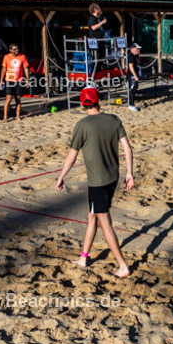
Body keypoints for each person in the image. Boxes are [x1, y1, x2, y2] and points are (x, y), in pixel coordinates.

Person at [55, 86, 135, 277]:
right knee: (92, 216)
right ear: (99, 101)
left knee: (104, 221)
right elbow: (128, 149)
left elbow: (71, 157)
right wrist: (130, 173)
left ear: (83, 104)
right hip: (113, 178)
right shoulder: (114, 119)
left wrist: (61, 176)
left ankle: (123, 266)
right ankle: (83, 258)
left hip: (97, 182)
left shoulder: (82, 125)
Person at [0, 43, 31, 121]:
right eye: (14, 49)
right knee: (9, 98)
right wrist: (1, 80)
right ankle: (5, 117)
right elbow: (4, 69)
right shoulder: (6, 57)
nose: (16, 50)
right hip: (9, 80)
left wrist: (27, 80)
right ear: (10, 50)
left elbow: (26, 69)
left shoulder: (22, 57)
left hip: (19, 80)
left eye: (17, 48)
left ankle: (17, 116)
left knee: (18, 99)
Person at [126, 42, 142, 112]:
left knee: (134, 89)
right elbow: (130, 66)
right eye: (137, 49)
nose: (138, 50)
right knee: (132, 90)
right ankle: (131, 105)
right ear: (132, 49)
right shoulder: (131, 56)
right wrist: (135, 76)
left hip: (134, 75)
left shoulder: (135, 56)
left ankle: (132, 104)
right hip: (131, 76)